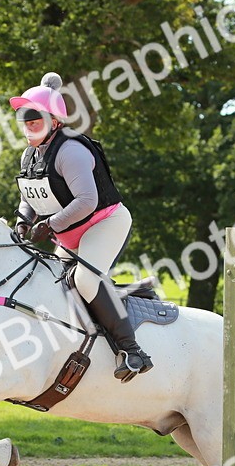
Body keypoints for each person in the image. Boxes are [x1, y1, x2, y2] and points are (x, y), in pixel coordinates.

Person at [9, 72, 153, 382]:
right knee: (53, 281)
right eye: (24, 116)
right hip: (70, 233)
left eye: (35, 115)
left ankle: (132, 351)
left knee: (85, 281)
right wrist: (23, 223)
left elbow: (87, 200)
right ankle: (133, 292)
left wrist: (51, 225)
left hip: (104, 223)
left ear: (54, 120)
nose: (28, 122)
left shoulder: (71, 150)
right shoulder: (30, 155)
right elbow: (30, 195)